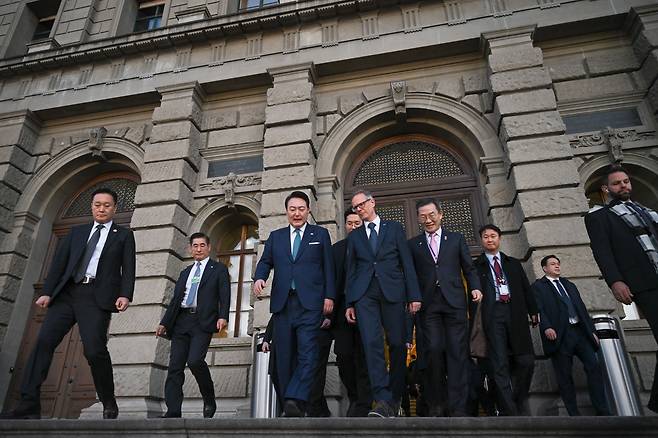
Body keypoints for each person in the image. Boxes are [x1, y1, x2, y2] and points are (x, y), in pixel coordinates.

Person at [1, 188, 135, 420]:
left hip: (96, 296)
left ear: (114, 208)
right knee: (43, 342)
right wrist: (48, 292)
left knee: (94, 350)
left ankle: (107, 400)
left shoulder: (123, 235)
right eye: (97, 204)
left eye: (106, 205)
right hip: (67, 294)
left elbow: (129, 268)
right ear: (92, 206)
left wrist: (125, 294)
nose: (101, 208)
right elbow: (58, 264)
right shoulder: (76, 232)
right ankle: (28, 404)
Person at [253, 191, 335, 417]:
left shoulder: (320, 234)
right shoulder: (276, 237)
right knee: (285, 357)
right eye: (292, 209)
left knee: (308, 355)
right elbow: (265, 262)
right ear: (286, 211)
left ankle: (295, 397)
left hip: (311, 304)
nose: (297, 213)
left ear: (308, 210)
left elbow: (329, 268)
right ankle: (291, 405)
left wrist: (330, 297)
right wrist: (259, 277)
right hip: (283, 305)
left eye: (301, 209)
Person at [584, 164, 658, 413]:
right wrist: (616, 281)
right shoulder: (598, 217)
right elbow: (602, 252)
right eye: (617, 183)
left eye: (626, 181)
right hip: (645, 284)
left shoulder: (648, 213)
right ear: (606, 188)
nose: (623, 186)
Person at [345, 189, 422, 417]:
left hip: (393, 292)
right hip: (364, 294)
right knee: (372, 344)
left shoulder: (394, 228)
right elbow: (351, 270)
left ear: (373, 202)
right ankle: (382, 399)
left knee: (398, 342)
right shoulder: (355, 236)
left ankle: (395, 394)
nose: (359, 209)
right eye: (355, 207)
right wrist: (350, 302)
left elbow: (406, 263)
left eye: (362, 205)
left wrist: (414, 295)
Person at [407, 198, 482, 417]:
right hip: (428, 304)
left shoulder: (456, 239)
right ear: (419, 218)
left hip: (454, 303)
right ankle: (436, 403)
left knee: (458, 354)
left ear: (441, 215)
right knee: (433, 351)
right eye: (423, 216)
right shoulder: (413, 244)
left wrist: (475, 288)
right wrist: (413, 297)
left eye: (431, 215)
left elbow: (469, 268)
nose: (428, 220)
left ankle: (459, 406)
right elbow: (410, 275)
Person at [155, 232, 230, 418]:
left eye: (202, 245)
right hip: (181, 321)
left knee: (195, 361)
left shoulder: (218, 269)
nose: (198, 249)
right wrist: (164, 323)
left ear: (209, 247)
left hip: (202, 322)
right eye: (195, 246)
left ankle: (209, 399)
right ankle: (173, 411)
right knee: (175, 367)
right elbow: (175, 300)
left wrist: (223, 316)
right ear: (190, 248)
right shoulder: (185, 273)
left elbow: (225, 295)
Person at [532, 255, 610, 416]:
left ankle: (602, 410)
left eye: (558, 264)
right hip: (560, 334)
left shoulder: (569, 285)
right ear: (545, 268)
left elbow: (581, 309)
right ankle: (573, 413)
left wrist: (592, 332)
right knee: (564, 375)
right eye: (553, 264)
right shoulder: (539, 286)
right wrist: (546, 327)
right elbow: (539, 309)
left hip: (580, 332)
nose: (557, 266)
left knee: (594, 367)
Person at [473, 224, 539, 416]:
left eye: (493, 236)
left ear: (499, 238)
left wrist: (533, 309)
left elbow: (526, 287)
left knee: (526, 361)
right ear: (481, 241)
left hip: (515, 312)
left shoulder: (513, 263)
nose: (490, 239)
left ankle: (517, 400)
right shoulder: (476, 266)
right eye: (485, 237)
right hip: (492, 315)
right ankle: (510, 411)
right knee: (499, 363)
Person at [330, 210, 372, 417]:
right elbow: (330, 281)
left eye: (358, 223)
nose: (353, 227)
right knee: (344, 356)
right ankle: (354, 395)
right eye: (350, 223)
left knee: (364, 358)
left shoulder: (372, 248)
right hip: (340, 315)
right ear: (344, 225)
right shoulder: (336, 250)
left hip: (367, 312)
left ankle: (363, 404)